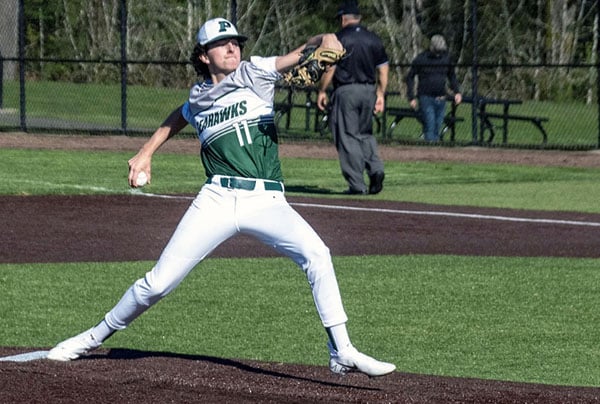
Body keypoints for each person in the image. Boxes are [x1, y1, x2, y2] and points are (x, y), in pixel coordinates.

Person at [46, 17, 395, 378]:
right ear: (203, 56)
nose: (233, 47)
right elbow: (178, 117)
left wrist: (326, 40)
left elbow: (305, 52)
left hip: (267, 201)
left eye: (236, 42)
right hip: (216, 197)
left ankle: (342, 350)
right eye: (222, 43)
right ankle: (91, 338)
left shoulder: (254, 72)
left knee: (318, 254)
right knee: (158, 284)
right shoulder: (198, 97)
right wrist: (145, 152)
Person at [317, 1, 388, 195]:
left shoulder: (338, 39)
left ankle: (357, 184)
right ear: (359, 18)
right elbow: (383, 70)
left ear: (343, 18)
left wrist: (322, 90)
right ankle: (376, 168)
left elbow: (330, 68)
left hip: (346, 91)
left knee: (348, 136)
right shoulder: (374, 39)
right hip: (368, 90)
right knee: (365, 133)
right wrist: (380, 94)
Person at [405, 34, 462, 142]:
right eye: (437, 51)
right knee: (430, 127)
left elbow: (452, 76)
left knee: (437, 127)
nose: (439, 53)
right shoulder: (422, 59)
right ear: (432, 48)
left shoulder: (446, 59)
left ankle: (434, 152)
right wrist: (411, 97)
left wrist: (457, 92)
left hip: (441, 98)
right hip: (426, 98)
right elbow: (410, 77)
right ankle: (430, 151)